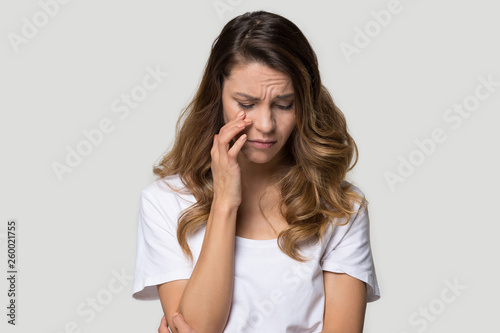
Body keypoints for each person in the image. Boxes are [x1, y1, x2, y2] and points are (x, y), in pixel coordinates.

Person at [132, 10, 380, 333]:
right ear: (218, 93)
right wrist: (225, 203)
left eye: (285, 104)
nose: (265, 125)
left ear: (304, 103)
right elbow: (197, 327)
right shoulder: (164, 203)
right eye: (246, 104)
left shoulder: (340, 208)